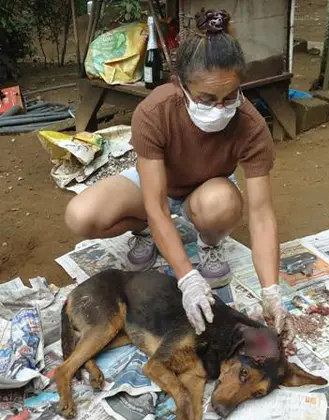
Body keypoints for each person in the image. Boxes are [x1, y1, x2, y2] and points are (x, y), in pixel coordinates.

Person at [65, 8, 295, 347]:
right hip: (157, 185)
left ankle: (209, 242)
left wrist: (271, 292)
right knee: (81, 215)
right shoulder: (155, 111)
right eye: (206, 99)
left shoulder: (251, 125)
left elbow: (261, 214)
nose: (219, 109)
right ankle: (145, 231)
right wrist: (188, 278)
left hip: (208, 191)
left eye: (230, 97)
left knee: (221, 203)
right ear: (181, 86)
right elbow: (156, 204)